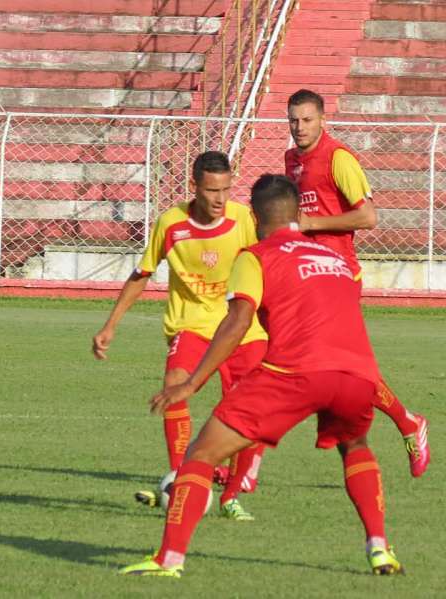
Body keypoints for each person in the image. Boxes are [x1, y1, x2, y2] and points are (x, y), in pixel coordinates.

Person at [121, 174, 405, 578]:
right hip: (357, 375)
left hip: (294, 373)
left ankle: (169, 560)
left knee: (201, 455)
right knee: (355, 446)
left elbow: (238, 323)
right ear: (298, 214)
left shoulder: (255, 256)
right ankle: (379, 548)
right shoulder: (336, 259)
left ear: (254, 217)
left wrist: (192, 382)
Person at [93, 151, 268, 520]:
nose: (220, 199)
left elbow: (269, 265)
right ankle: (180, 478)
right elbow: (142, 273)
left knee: (250, 407)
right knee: (174, 385)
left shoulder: (243, 219)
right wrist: (111, 325)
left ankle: (232, 494)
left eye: (226, 189)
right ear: (194, 187)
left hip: (241, 328)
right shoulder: (171, 223)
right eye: (212, 190)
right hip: (192, 325)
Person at [285, 89, 429, 477]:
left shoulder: (339, 158)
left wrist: (312, 223)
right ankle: (399, 424)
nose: (300, 127)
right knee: (338, 367)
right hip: (309, 276)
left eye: (307, 120)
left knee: (340, 367)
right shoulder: (291, 160)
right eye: (294, 120)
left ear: (322, 119)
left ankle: (402, 423)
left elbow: (368, 217)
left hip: (340, 275)